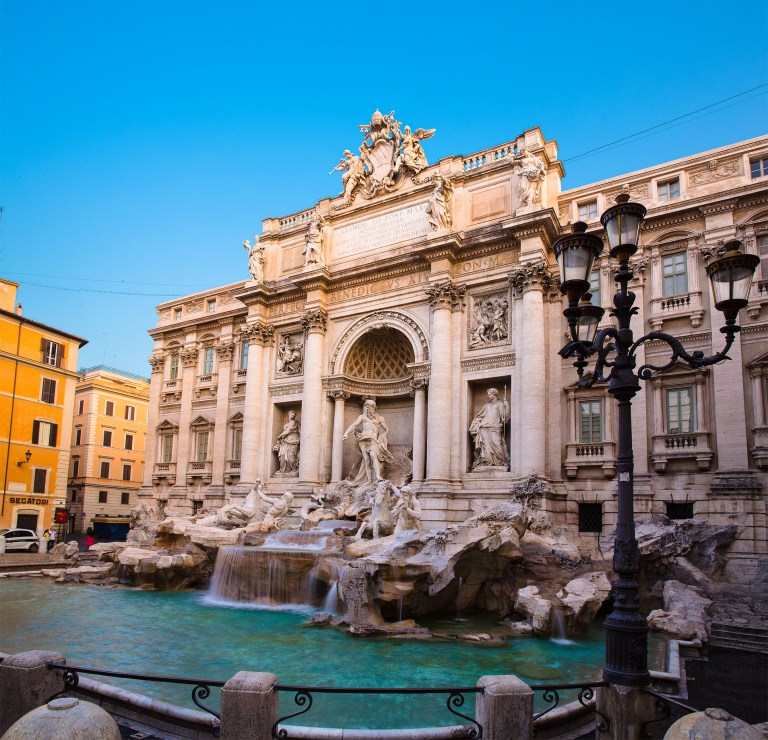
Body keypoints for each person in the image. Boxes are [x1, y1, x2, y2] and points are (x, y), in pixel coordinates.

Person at [342, 399, 394, 485]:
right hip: (363, 439)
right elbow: (354, 425)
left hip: (373, 440)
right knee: (366, 459)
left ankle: (378, 476)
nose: (367, 408)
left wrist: (383, 436)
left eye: (369, 406)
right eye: (366, 406)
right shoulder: (362, 417)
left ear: (374, 407)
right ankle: (369, 480)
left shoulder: (380, 418)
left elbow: (387, 429)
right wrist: (346, 433)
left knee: (373, 456)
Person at [469, 388, 510, 469]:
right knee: (486, 445)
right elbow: (480, 416)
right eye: (488, 394)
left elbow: (504, 417)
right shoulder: (487, 405)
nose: (489, 396)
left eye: (490, 394)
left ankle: (499, 462)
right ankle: (487, 462)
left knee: (497, 443)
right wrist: (476, 424)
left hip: (495, 427)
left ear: (495, 394)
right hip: (485, 427)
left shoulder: (500, 404)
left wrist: (507, 406)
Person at [273, 410, 301, 475]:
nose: (292, 416)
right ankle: (283, 470)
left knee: (291, 455)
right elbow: (285, 431)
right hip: (286, 440)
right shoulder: (287, 423)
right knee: (282, 454)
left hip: (293, 440)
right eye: (291, 414)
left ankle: (293, 470)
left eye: (293, 415)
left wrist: (279, 436)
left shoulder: (293, 422)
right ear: (289, 414)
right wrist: (281, 438)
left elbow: (288, 431)